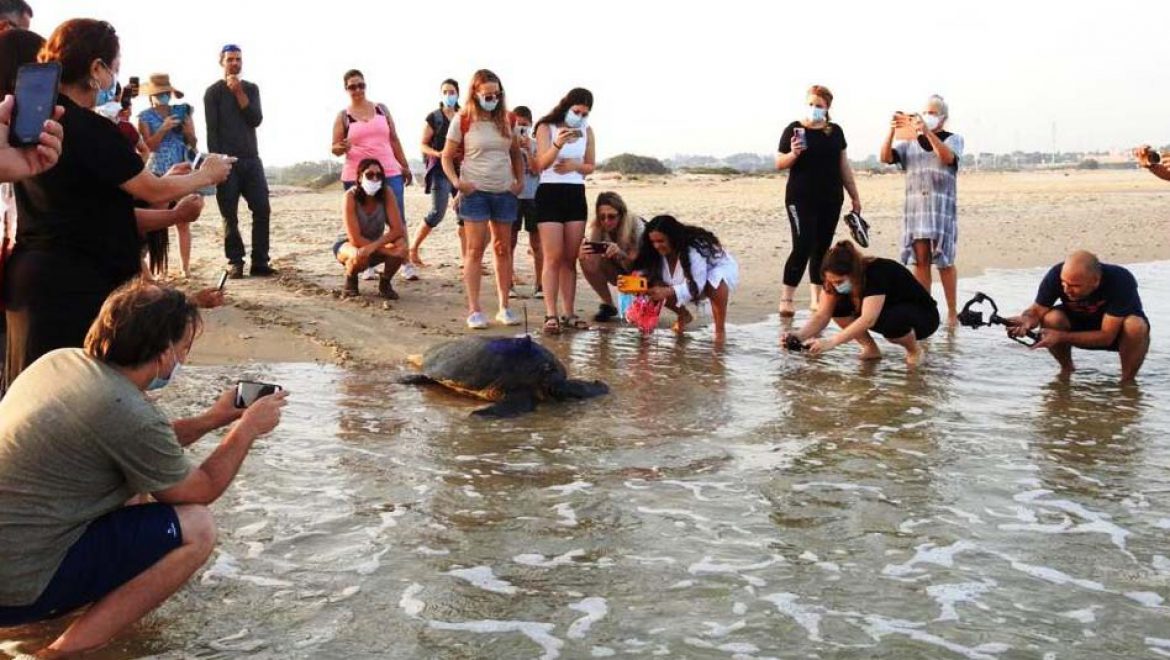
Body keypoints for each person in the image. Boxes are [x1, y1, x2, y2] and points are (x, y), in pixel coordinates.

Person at [0, 280, 287, 656]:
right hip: (16, 590)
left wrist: (211, 419)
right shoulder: (125, 411)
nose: (183, 359)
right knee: (197, 527)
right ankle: (59, 652)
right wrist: (247, 429)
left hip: (14, 556)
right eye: (184, 348)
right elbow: (201, 488)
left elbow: (142, 448)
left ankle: (49, 621)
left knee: (136, 489)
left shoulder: (60, 362)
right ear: (164, 353)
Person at [4, 19, 232, 391]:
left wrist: (174, 213)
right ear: (96, 69)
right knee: (77, 398)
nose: (115, 79)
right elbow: (151, 188)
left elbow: (94, 211)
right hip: (75, 286)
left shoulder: (39, 123)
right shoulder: (88, 128)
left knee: (32, 397)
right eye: (114, 68)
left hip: (34, 280)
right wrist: (207, 174)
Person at [440, 69, 523, 330]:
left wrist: (519, 181)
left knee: (502, 248)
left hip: (504, 191)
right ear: (475, 94)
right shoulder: (463, 119)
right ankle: (474, 309)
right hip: (475, 191)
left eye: (496, 94)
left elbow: (515, 153)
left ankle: (504, 306)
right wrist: (457, 183)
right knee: (475, 249)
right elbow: (446, 156)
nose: (492, 99)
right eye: (487, 95)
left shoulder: (508, 119)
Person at [775, 85, 862, 317]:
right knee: (802, 245)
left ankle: (816, 298)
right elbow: (779, 163)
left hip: (831, 197)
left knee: (822, 248)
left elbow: (844, 166)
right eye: (811, 104)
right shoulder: (794, 129)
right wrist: (793, 154)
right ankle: (787, 298)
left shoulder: (835, 131)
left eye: (819, 105)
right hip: (800, 198)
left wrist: (854, 196)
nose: (814, 108)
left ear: (827, 108)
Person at [783, 240, 939, 366]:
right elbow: (822, 316)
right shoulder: (833, 284)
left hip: (924, 317)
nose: (836, 286)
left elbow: (868, 319)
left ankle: (914, 351)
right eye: (831, 281)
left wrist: (831, 342)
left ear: (853, 273)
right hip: (885, 312)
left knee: (890, 322)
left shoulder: (876, 272)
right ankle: (870, 349)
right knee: (838, 306)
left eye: (839, 281)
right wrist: (799, 335)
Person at [880, 95, 964, 326]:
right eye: (926, 112)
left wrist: (927, 133)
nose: (928, 116)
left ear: (943, 117)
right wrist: (891, 131)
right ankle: (925, 309)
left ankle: (952, 311)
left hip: (941, 208)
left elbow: (947, 157)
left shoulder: (954, 139)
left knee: (945, 260)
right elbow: (885, 157)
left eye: (933, 113)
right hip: (917, 209)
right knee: (921, 260)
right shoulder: (909, 143)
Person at [1007, 250, 1150, 384]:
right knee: (1051, 318)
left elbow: (1107, 336)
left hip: (1116, 334)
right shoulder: (1056, 274)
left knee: (1135, 325)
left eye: (1074, 286)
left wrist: (1060, 337)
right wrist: (1026, 320)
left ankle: (1127, 382)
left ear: (1095, 280)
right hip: (1078, 323)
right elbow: (1037, 311)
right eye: (1063, 283)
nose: (1066, 290)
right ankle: (1067, 369)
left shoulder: (1120, 280)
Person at [330, 69, 415, 283]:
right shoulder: (343, 116)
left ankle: (405, 262)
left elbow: (394, 138)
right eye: (352, 86)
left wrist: (404, 165)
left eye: (361, 85)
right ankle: (367, 264)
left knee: (398, 218)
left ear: (365, 86)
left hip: (389, 170)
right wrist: (341, 147)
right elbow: (334, 148)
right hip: (357, 174)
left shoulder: (381, 109)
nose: (357, 90)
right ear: (346, 89)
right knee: (362, 219)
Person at [204, 44, 272, 279]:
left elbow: (256, 119)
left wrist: (239, 92)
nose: (234, 63)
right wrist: (216, 161)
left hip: (251, 159)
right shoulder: (212, 93)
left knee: (262, 209)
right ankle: (235, 261)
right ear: (221, 62)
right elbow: (212, 131)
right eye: (230, 59)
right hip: (227, 162)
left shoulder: (251, 89)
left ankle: (260, 262)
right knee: (229, 214)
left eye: (238, 59)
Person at [532, 88, 596, 334]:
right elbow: (540, 164)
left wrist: (575, 166)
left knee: (570, 258)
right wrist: (558, 144)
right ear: (567, 106)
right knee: (553, 256)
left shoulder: (587, 130)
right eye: (577, 111)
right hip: (550, 192)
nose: (580, 117)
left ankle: (568, 312)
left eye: (585, 113)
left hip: (575, 192)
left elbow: (590, 165)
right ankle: (551, 313)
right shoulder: (546, 127)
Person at [633, 215, 738, 342]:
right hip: (689, 278)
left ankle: (719, 331)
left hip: (716, 271)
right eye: (653, 242)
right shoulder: (653, 251)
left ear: (673, 239)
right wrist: (637, 282)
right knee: (652, 285)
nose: (656, 246)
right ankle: (683, 315)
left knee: (716, 281)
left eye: (661, 241)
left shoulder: (693, 251)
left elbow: (696, 287)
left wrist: (668, 291)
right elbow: (643, 270)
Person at [139, 73, 198, 278]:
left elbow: (193, 143)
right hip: (157, 171)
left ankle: (185, 267)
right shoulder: (144, 117)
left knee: (183, 221)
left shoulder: (182, 112)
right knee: (156, 221)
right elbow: (148, 147)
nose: (163, 96)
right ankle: (154, 267)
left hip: (181, 168)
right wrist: (163, 129)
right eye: (159, 93)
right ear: (151, 96)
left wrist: (188, 131)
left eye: (165, 92)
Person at [332, 158, 407, 299]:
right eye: (369, 175)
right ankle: (351, 279)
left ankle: (385, 282)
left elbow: (398, 229)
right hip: (348, 244)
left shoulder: (386, 193)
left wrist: (374, 247)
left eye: (379, 175)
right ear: (360, 177)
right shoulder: (350, 196)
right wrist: (386, 250)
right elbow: (355, 238)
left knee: (401, 246)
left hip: (374, 243)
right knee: (358, 255)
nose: (374, 179)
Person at [410, 78, 460, 268]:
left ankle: (468, 258)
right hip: (440, 170)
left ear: (458, 93)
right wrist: (437, 154)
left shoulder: (464, 115)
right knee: (437, 212)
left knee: (465, 215)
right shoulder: (434, 117)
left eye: (452, 91)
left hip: (461, 169)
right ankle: (413, 248)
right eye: (445, 92)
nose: (449, 95)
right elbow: (423, 144)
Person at [580, 191, 642, 322]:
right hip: (621, 277)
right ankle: (608, 304)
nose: (606, 221)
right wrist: (583, 252)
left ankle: (642, 304)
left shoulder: (636, 227)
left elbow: (637, 265)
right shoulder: (599, 228)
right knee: (586, 260)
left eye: (611, 217)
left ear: (621, 215)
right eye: (602, 217)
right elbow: (593, 262)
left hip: (643, 277)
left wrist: (620, 254)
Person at [511, 105, 542, 298]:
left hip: (534, 197)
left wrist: (528, 150)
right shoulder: (507, 144)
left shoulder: (537, 145)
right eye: (518, 124)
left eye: (525, 124)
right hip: (513, 197)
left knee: (537, 244)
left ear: (531, 125)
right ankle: (508, 283)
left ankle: (539, 285)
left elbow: (536, 169)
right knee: (509, 243)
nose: (521, 128)